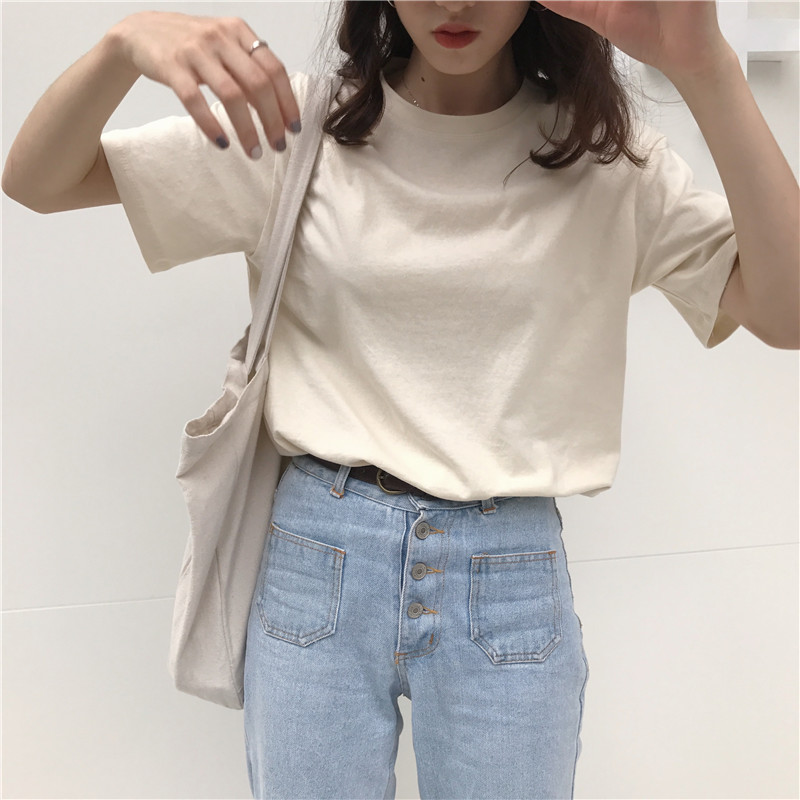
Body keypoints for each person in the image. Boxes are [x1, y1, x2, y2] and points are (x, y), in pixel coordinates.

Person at [3, 2, 797, 798]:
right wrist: (121, 47)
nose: (454, 4)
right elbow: (38, 179)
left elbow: (786, 313)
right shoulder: (299, 131)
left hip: (509, 574)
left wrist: (709, 71)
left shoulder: (605, 161)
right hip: (319, 554)